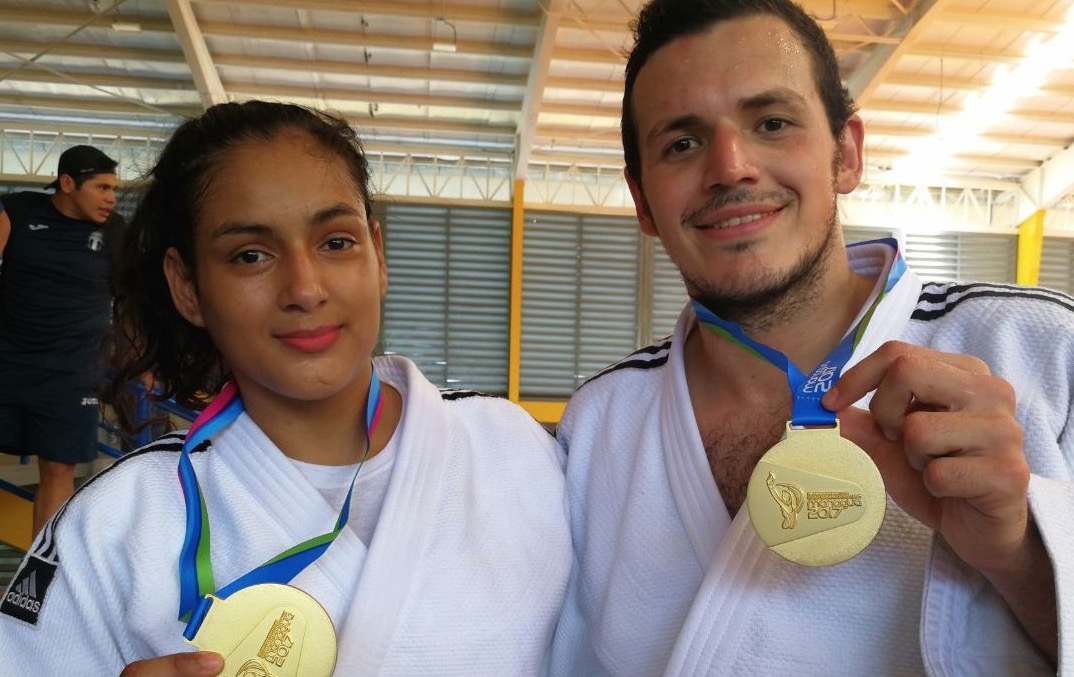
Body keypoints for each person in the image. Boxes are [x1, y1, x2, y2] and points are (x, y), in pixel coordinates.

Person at [550, 0, 1070, 675]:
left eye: (772, 122)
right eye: (682, 142)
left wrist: (1019, 552)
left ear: (846, 154)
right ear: (644, 203)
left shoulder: (1040, 350)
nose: (730, 166)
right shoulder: (600, 424)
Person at [0, 101, 571, 676]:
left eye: (336, 242)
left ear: (378, 255)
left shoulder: (511, 451)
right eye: (251, 255)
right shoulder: (115, 525)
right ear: (188, 285)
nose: (305, 287)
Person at [0, 144, 122, 536]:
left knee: (57, 468)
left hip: (73, 372)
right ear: (68, 183)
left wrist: (144, 360)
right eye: (102, 187)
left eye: (113, 189)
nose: (111, 198)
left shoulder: (117, 231)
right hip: (7, 360)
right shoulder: (17, 211)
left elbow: (136, 298)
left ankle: (38, 575)